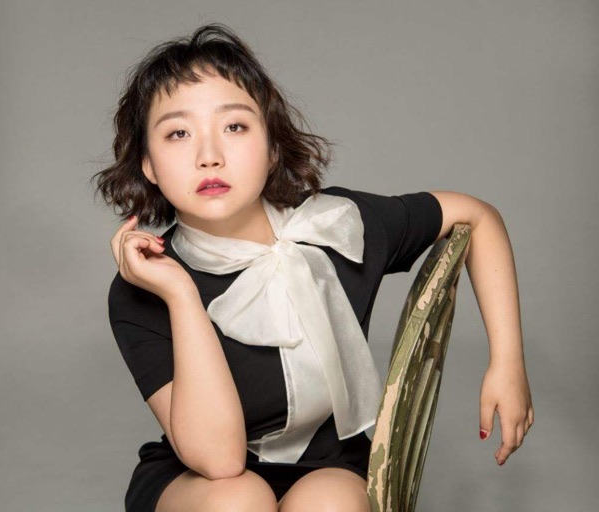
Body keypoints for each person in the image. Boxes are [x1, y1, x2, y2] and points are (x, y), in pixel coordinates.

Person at [91, 22, 534, 512]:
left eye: (234, 127)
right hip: (200, 479)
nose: (209, 156)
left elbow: (477, 217)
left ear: (272, 146)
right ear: (149, 165)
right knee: (238, 499)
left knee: (329, 504)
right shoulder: (142, 286)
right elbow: (219, 460)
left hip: (330, 465)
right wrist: (180, 294)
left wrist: (507, 363)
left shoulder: (336, 226)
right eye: (178, 133)